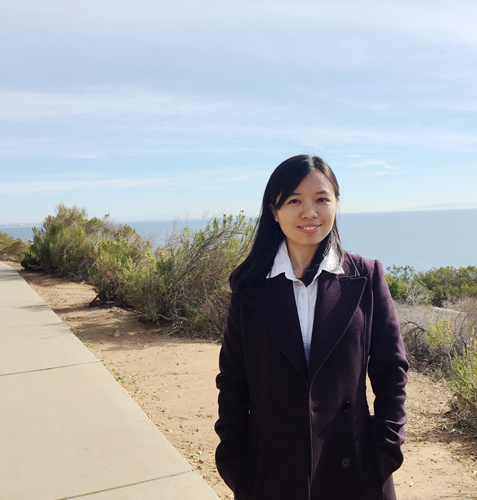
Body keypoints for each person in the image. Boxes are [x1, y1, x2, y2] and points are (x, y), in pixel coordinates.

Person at [215, 155, 408, 500]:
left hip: (355, 470)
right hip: (271, 471)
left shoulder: (366, 277)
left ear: (336, 204)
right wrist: (234, 463)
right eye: (294, 201)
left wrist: (385, 452)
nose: (310, 212)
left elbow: (391, 370)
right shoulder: (249, 286)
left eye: (321, 199)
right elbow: (233, 380)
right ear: (274, 211)